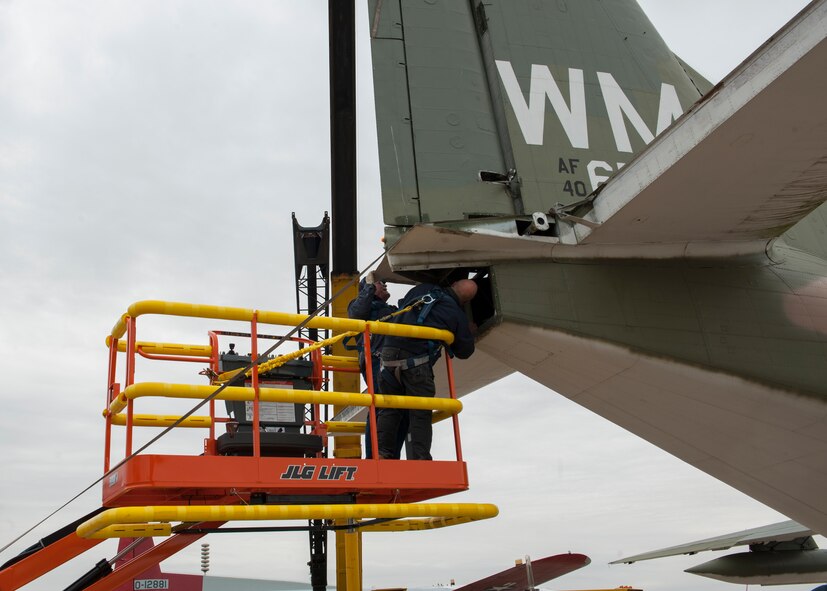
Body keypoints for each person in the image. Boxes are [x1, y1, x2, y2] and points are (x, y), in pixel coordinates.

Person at [376, 279, 477, 460]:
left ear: (452, 285)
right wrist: (469, 331)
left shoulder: (423, 289)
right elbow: (465, 351)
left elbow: (402, 304)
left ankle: (382, 454)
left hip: (388, 356)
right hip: (417, 363)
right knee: (420, 412)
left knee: (389, 408)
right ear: (466, 302)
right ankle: (420, 459)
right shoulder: (456, 314)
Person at [346, 272, 407, 458]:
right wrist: (369, 286)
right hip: (375, 361)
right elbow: (356, 313)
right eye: (381, 282)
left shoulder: (390, 310)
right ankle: (374, 456)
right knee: (380, 406)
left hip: (395, 362)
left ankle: (390, 455)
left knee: (402, 408)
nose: (385, 285)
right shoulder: (362, 307)